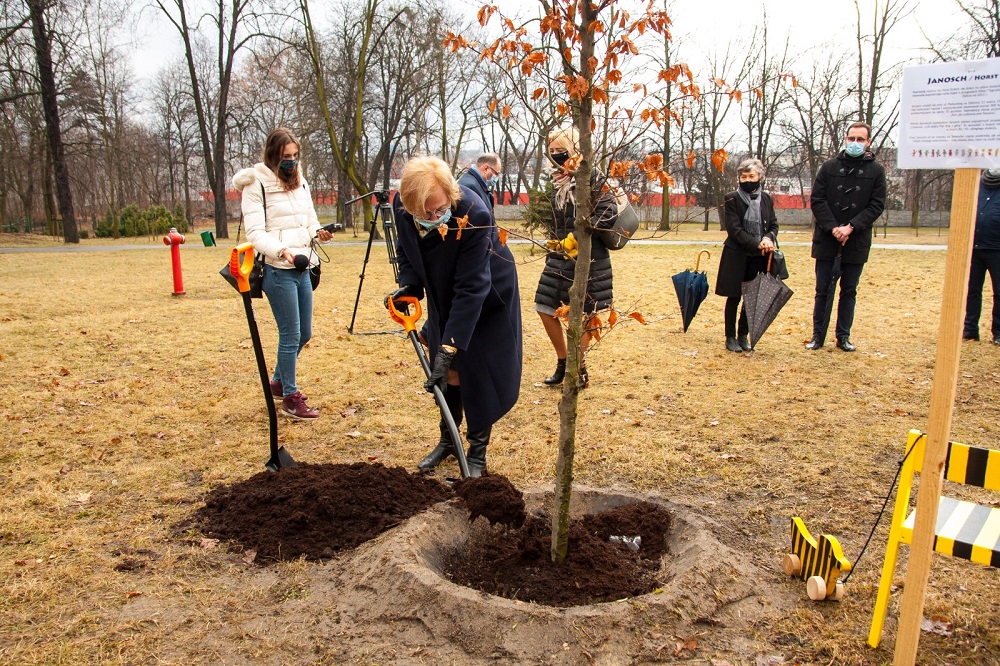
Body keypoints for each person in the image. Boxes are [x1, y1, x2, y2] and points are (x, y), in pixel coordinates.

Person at [385, 155, 522, 477]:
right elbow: (406, 251)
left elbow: (472, 287)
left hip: (487, 296)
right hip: (443, 289)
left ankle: (476, 453)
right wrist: (409, 286)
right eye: (425, 213)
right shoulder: (403, 207)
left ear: (451, 193)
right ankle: (448, 440)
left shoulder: (475, 215)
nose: (434, 216)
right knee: (448, 375)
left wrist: (450, 345)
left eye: (439, 209)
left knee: (476, 369)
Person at [233, 128, 332, 419]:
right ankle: (290, 396)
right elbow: (255, 233)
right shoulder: (256, 185)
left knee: (305, 333)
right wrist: (282, 251)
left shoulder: (301, 183)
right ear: (273, 155)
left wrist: (319, 234)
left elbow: (309, 221)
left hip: (303, 265)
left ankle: (277, 381)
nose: (291, 161)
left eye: (294, 156)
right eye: (285, 157)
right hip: (278, 269)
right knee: (290, 335)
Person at [534, 126, 618, 388]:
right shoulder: (556, 181)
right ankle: (563, 361)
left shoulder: (590, 177)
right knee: (544, 307)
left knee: (582, 316)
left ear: (574, 150)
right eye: (553, 152)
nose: (557, 156)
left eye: (562, 151)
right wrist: (558, 240)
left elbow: (608, 212)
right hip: (560, 256)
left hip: (589, 259)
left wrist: (579, 235)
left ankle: (578, 369)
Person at [806, 121, 887, 352]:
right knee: (822, 290)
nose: (855, 143)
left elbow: (876, 205)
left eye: (860, 139)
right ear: (845, 139)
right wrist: (833, 227)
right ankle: (817, 336)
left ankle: (843, 336)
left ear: (868, 142)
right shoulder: (829, 167)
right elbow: (818, 200)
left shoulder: (876, 171)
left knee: (849, 291)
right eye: (852, 138)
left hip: (856, 241)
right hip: (827, 239)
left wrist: (851, 227)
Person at [715, 158, 779, 352]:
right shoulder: (731, 198)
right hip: (737, 254)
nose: (747, 180)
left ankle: (744, 334)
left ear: (760, 176)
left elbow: (774, 224)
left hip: (759, 256)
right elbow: (734, 229)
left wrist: (768, 238)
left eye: (751, 176)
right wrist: (756, 243)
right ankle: (730, 337)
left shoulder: (766, 198)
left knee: (751, 296)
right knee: (734, 296)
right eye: (743, 176)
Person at [963, 168, 1000, 345]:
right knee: (972, 290)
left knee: (999, 292)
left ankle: (998, 332)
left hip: (997, 249)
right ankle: (970, 329)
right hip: (974, 247)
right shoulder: (977, 184)